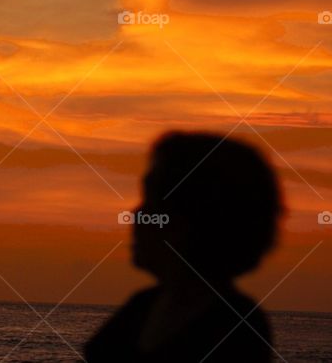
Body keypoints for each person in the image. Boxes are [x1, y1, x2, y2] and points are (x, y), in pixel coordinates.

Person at [85, 131, 284, 362]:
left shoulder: (233, 324)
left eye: (151, 202)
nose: (136, 215)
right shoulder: (143, 304)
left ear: (191, 219)